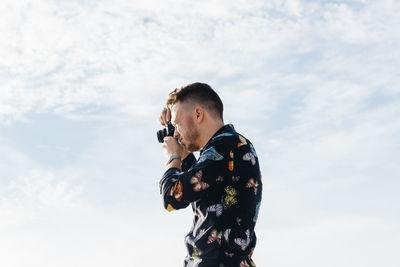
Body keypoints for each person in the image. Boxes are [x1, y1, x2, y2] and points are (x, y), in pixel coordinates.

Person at [158, 82, 262, 267]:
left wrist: (173, 157)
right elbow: (200, 184)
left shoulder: (226, 146)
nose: (176, 133)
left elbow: (173, 196)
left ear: (198, 114)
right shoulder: (229, 147)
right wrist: (183, 152)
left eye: (177, 123)